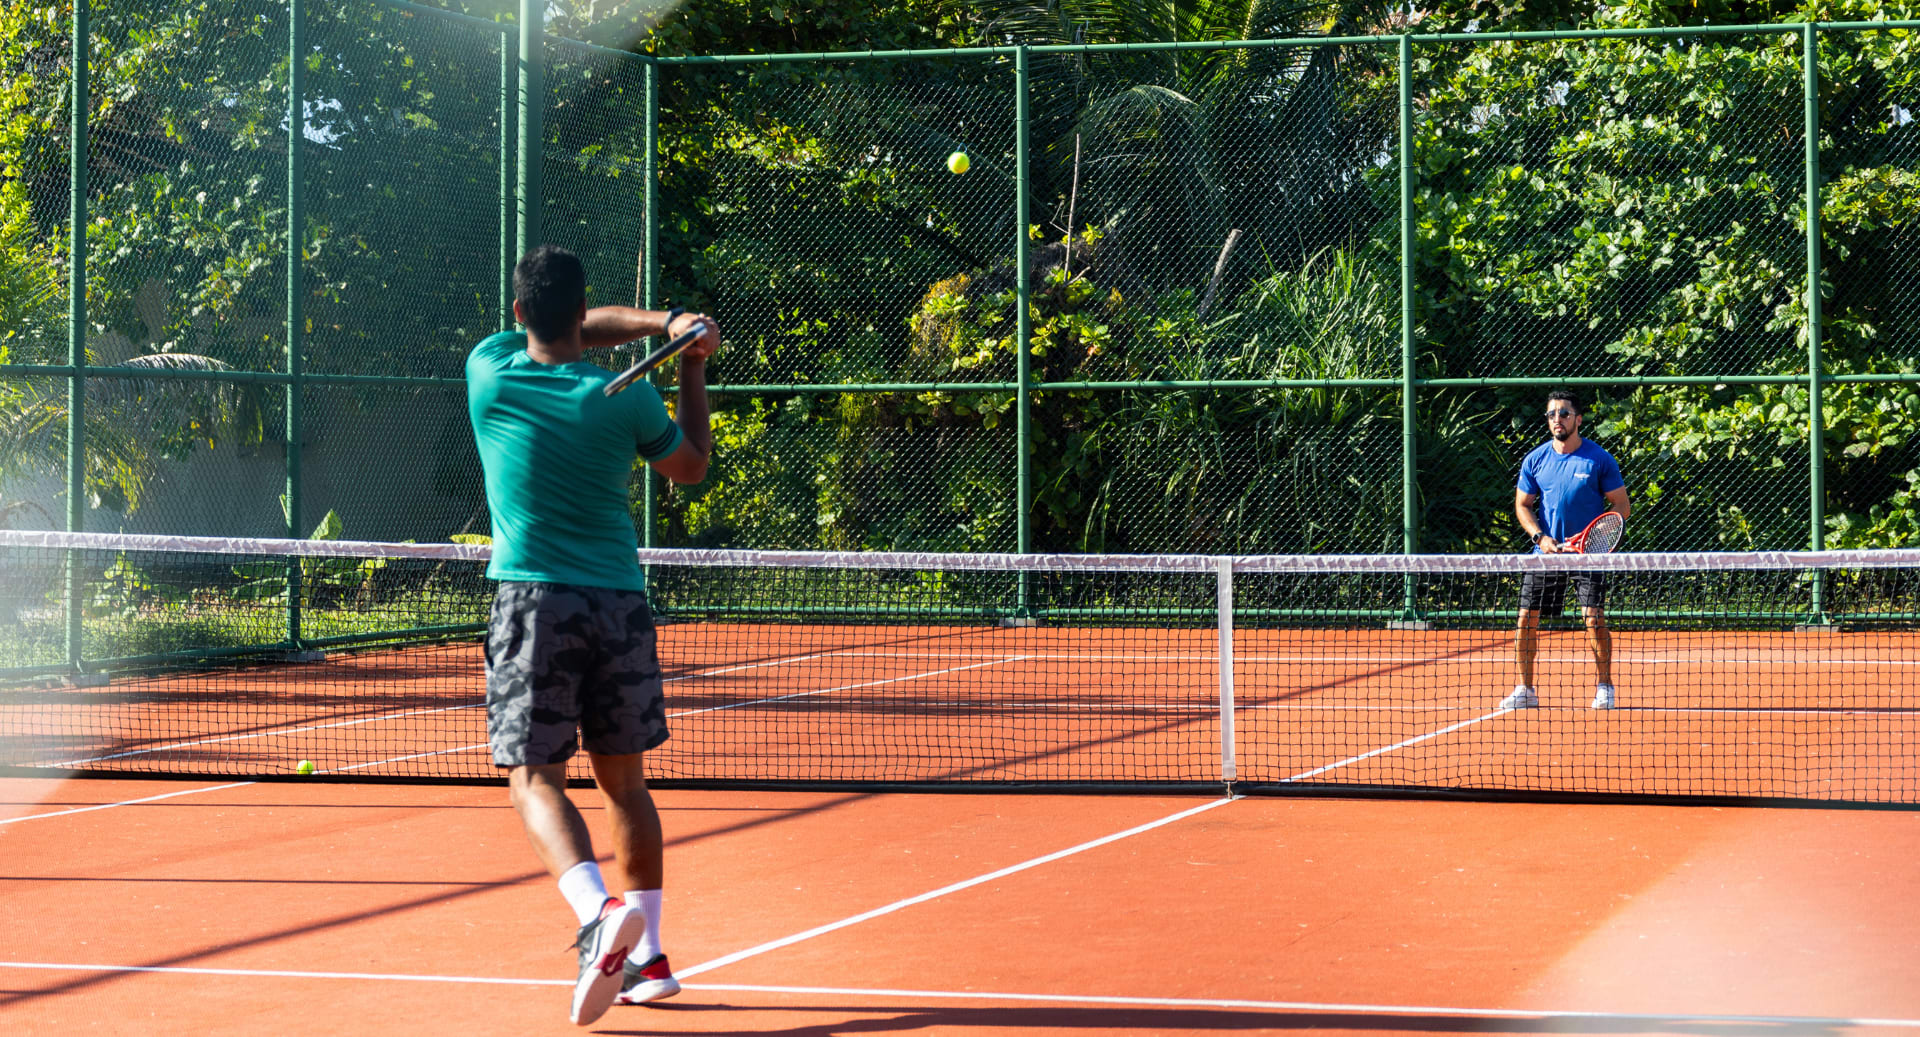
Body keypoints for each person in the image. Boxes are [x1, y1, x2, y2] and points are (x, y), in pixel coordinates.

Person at [467, 244, 718, 1025]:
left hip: (533, 603)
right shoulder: (626, 401)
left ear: (519, 313)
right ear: (581, 310)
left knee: (533, 779)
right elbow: (691, 466)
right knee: (626, 786)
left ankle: (597, 913)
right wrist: (685, 355)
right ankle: (650, 958)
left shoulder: (489, 372)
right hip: (617, 605)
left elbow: (576, 326)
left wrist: (664, 329)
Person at [1504, 389, 1631, 712]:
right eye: (1551, 414)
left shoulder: (1599, 459)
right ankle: (1525, 689)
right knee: (1525, 620)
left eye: (1563, 413)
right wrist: (1539, 538)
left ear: (1578, 419)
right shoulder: (1535, 460)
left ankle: (1604, 686)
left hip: (1587, 557)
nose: (1557, 419)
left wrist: (1592, 539)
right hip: (1545, 556)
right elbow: (1522, 505)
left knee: (1593, 619)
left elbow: (1621, 506)